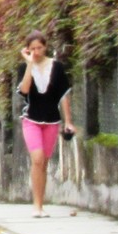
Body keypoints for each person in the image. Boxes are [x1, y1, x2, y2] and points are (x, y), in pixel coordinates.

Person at [17, 29, 76, 217]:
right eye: (32, 48)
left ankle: (41, 205)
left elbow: (64, 95)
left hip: (52, 120)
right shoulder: (24, 68)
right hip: (31, 120)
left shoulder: (57, 67)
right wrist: (29, 65)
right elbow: (25, 90)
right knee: (37, 159)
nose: (36, 51)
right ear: (27, 50)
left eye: (40, 47)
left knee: (44, 163)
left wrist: (68, 121)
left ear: (45, 47)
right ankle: (36, 206)